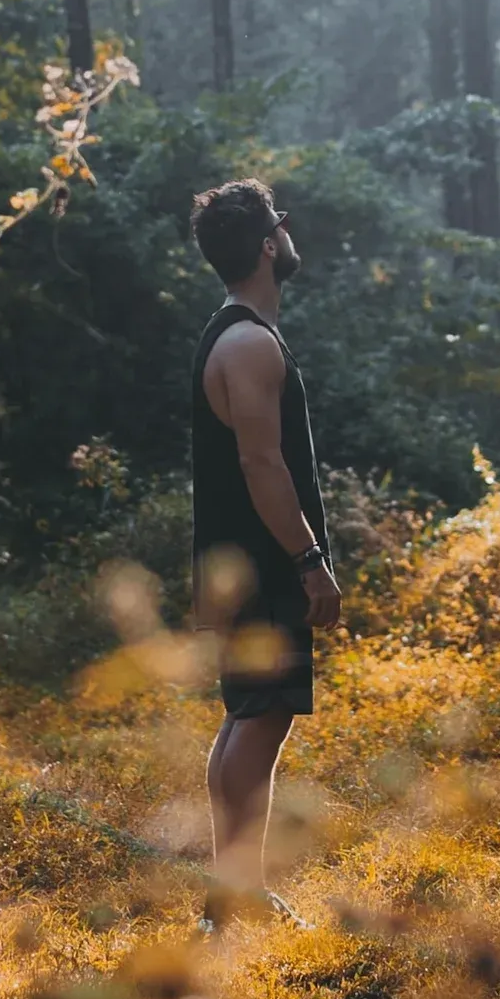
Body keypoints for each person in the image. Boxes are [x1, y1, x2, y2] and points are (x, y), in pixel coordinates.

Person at [188, 177, 341, 923]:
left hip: (241, 559)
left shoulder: (239, 332)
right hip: (261, 559)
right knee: (261, 717)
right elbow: (261, 465)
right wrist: (310, 560)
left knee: (248, 717)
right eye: (280, 222)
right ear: (264, 244)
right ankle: (236, 900)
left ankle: (231, 894)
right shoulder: (248, 341)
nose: (288, 232)